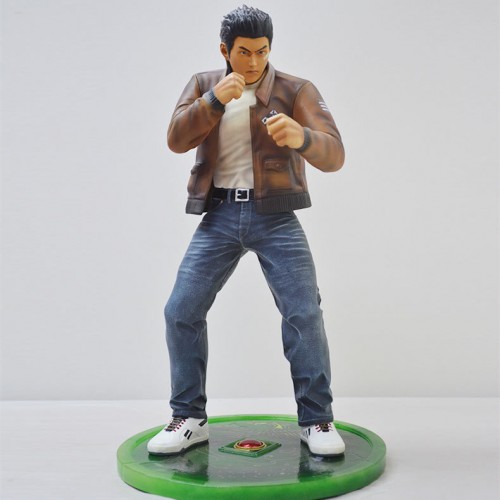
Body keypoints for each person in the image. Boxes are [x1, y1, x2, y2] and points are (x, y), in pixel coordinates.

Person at [147, 5, 346, 457]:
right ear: (225, 50)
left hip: (276, 215)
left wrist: (302, 137)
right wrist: (214, 100)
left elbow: (335, 154)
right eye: (244, 52)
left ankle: (316, 419)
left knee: (303, 313)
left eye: (262, 51)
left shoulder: (296, 90)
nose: (254, 61)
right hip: (219, 214)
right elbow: (176, 139)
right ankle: (188, 417)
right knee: (180, 310)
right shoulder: (203, 84)